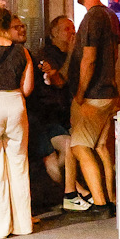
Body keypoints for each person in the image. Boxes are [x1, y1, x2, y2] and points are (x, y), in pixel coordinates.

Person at [67, 0, 120, 212]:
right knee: (100, 146)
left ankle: (100, 202)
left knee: (79, 147)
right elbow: (115, 54)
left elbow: (88, 59)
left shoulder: (91, 18)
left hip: (92, 95)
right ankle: (111, 198)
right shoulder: (112, 16)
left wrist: (79, 93)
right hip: (109, 91)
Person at [0, 6, 34, 238]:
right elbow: (27, 88)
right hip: (16, 104)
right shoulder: (22, 52)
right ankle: (24, 225)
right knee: (19, 164)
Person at [32, 16, 81, 210]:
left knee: (70, 150)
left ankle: (70, 189)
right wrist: (70, 53)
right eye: (67, 29)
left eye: (73, 28)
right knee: (60, 152)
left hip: (66, 113)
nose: (72, 33)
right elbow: (59, 80)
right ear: (54, 33)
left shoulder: (72, 54)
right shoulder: (47, 56)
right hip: (47, 117)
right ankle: (71, 191)